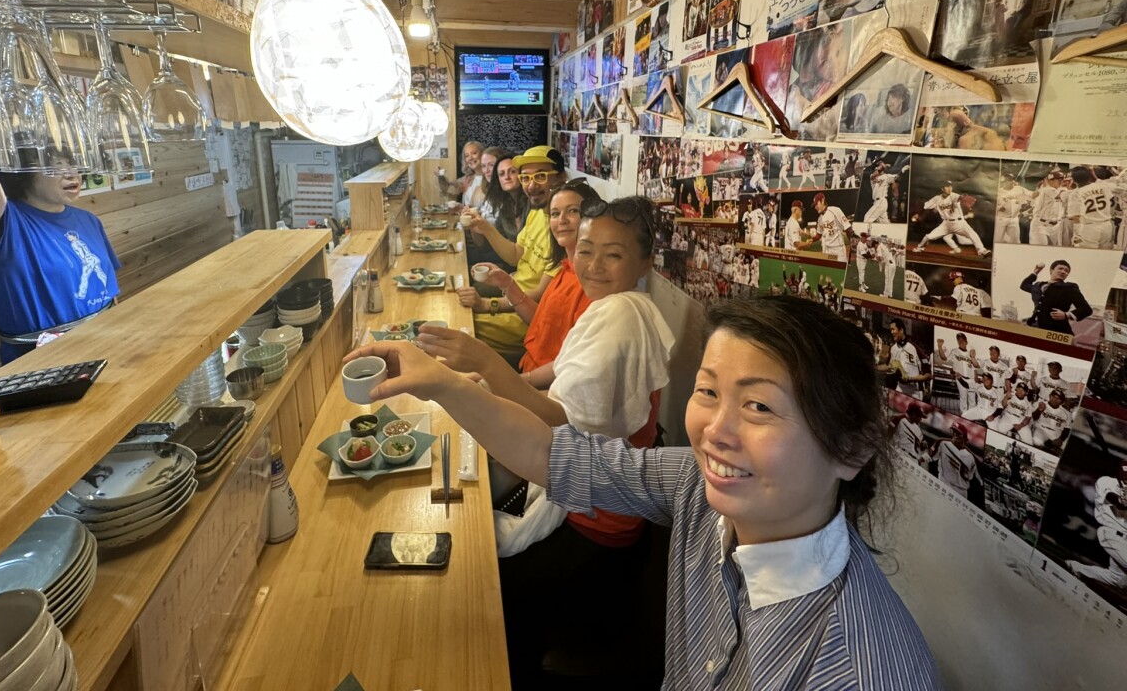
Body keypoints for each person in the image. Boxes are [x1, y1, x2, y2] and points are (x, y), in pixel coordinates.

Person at [347, 296, 943, 689]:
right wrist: (444, 385)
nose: (716, 431)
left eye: (759, 406)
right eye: (708, 392)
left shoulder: (854, 668)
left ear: (852, 450)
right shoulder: (697, 487)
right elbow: (560, 456)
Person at [418, 196, 675, 685]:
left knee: (490, 586)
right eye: (587, 249)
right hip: (582, 493)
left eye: (614, 255)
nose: (594, 265)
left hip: (595, 522)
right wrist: (494, 381)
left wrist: (487, 364)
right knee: (478, 511)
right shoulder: (610, 307)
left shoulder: (621, 316)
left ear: (644, 262)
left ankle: (506, 672)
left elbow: (560, 422)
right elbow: (556, 373)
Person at [0, 147, 119, 365]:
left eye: (73, 164)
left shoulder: (89, 219)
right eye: (56, 165)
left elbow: (109, 291)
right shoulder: (8, 222)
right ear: (22, 172)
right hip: (43, 359)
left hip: (110, 340)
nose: (72, 174)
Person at [462, 146, 566, 360]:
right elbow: (515, 255)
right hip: (511, 296)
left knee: (460, 329)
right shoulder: (537, 214)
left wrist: (487, 304)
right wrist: (485, 228)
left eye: (541, 176)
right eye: (526, 178)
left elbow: (538, 296)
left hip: (526, 317)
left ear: (560, 179)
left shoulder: (563, 230)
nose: (532, 185)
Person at [1066, 460, 1127, 591]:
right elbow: (1113, 498)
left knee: (1119, 580)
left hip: (1125, 538)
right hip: (1112, 533)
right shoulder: (1106, 481)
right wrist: (1123, 496)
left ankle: (1076, 568)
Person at [912, 181, 991, 257]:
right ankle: (920, 248)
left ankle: (982, 250)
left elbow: (959, 197)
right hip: (946, 224)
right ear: (942, 189)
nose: (949, 188)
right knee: (928, 237)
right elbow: (925, 205)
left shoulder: (954, 196)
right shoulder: (936, 199)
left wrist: (963, 197)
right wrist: (918, 213)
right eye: (947, 186)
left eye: (950, 186)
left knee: (973, 235)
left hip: (960, 223)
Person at [1021, 260, 1093, 335]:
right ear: (1051, 270)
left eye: (1066, 271)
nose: (1063, 272)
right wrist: (1036, 272)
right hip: (1036, 328)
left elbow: (1086, 309)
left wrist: (1066, 315)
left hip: (1057, 332)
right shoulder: (1038, 286)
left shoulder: (1069, 287)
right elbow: (1024, 285)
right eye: (1060, 268)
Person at [934, 425, 979, 497]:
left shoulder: (970, 457)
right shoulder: (943, 444)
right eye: (954, 432)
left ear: (964, 437)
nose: (955, 434)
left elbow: (970, 477)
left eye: (958, 433)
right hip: (944, 482)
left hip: (961, 491)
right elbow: (931, 456)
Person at [1029, 169, 1069, 246]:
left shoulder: (1061, 189)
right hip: (1041, 225)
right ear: (1050, 181)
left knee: (1055, 251)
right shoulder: (1046, 189)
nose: (1061, 181)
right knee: (1040, 250)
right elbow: (1060, 196)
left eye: (1062, 179)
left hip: (1056, 226)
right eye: (1058, 179)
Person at [810, 191, 853, 262]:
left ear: (822, 201)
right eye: (814, 205)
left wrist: (852, 245)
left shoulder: (835, 210)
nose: (815, 207)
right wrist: (811, 240)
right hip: (827, 249)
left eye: (816, 204)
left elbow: (848, 229)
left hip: (838, 249)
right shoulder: (820, 219)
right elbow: (819, 235)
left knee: (840, 271)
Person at [996, 173, 1031, 244]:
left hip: (1014, 219)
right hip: (1001, 218)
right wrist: (998, 207)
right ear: (1004, 182)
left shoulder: (1018, 190)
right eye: (1009, 180)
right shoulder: (999, 191)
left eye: (1013, 180)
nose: (1012, 181)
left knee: (1016, 241)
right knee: (998, 240)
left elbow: (1029, 197)